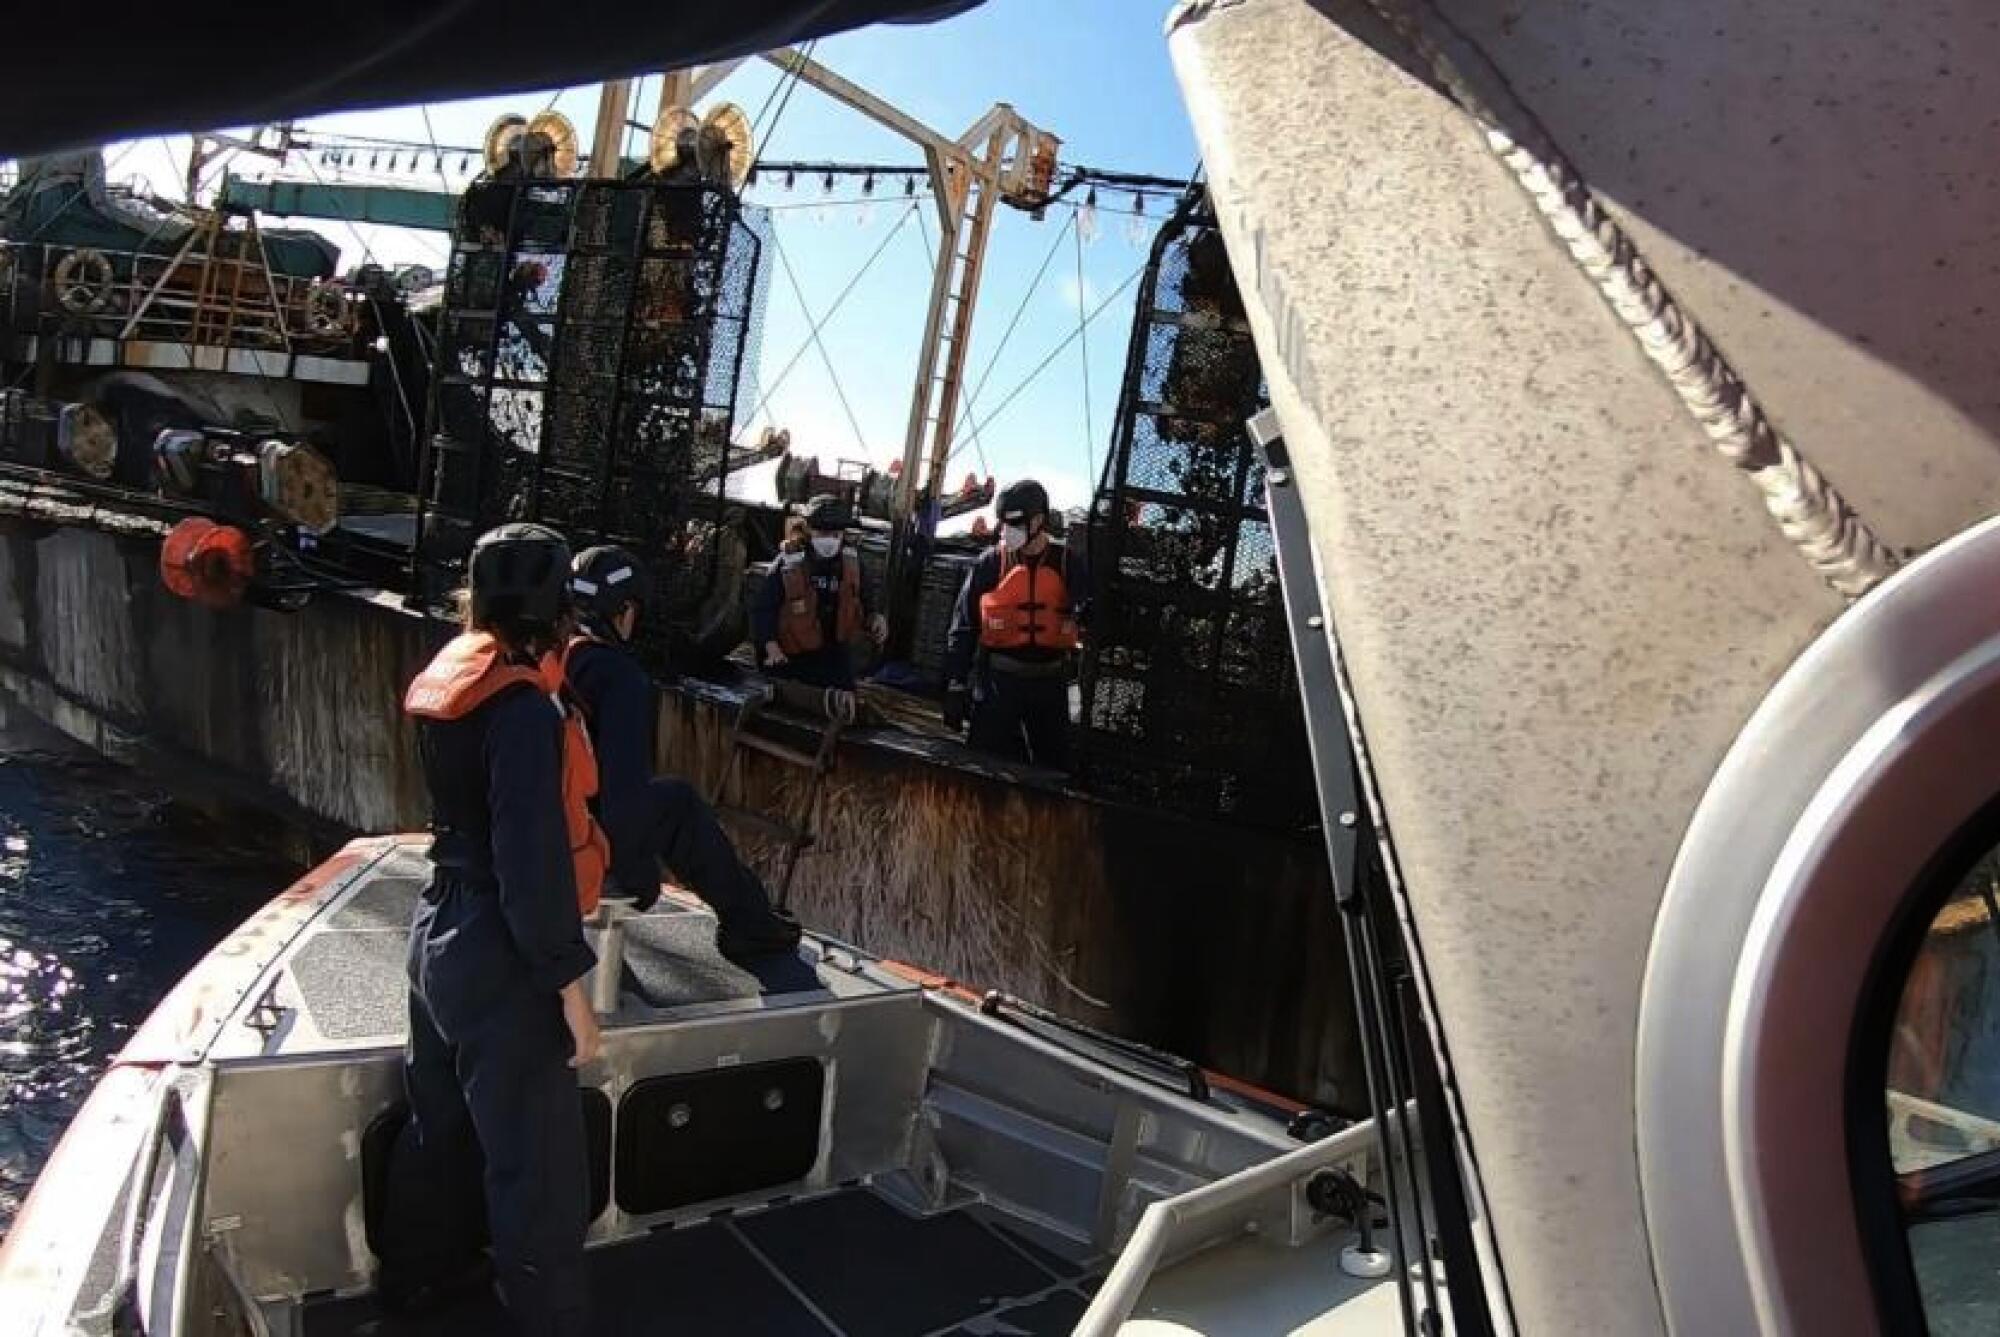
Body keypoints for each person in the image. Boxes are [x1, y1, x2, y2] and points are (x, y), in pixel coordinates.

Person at [390, 523, 601, 1335]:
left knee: (436, 1129)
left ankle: (417, 1286)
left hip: (435, 925)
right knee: (539, 1173)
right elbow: (532, 862)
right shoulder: (520, 710)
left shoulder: (451, 686)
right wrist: (569, 991)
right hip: (497, 950)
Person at [566, 544, 803, 960]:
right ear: (625, 612)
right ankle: (750, 924)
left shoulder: (553, 655)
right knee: (679, 802)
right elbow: (623, 792)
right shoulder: (618, 678)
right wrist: (637, 876)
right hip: (583, 834)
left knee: (669, 800)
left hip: (549, 818)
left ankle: (751, 917)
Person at [944, 479, 1088, 770]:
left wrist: (1084, 611)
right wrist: (955, 685)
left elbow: (1088, 608)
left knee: (1054, 774)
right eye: (1004, 524)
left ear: (1039, 520)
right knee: (982, 769)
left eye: (1016, 523)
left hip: (1050, 684)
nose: (1007, 531)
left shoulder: (1067, 563)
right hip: (999, 682)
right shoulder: (990, 563)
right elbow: (964, 624)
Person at [751, 494, 888, 690]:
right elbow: (764, 608)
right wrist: (771, 647)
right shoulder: (788, 562)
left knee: (843, 692)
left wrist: (876, 618)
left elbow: (867, 600)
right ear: (809, 531)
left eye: (835, 535)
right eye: (822, 533)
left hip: (832, 655)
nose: (829, 540)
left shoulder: (853, 564)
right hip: (790, 654)